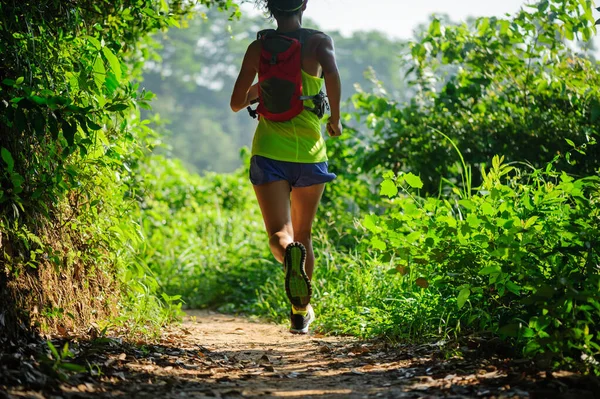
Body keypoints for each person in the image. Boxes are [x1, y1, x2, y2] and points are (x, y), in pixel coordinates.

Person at [230, 0, 342, 334]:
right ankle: (300, 312)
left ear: (270, 7)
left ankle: (292, 273)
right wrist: (335, 119)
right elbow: (333, 75)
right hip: (310, 152)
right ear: (303, 4)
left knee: (280, 232)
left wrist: (265, 87)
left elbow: (237, 103)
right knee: (305, 233)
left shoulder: (258, 47)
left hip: (269, 151)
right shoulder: (320, 42)